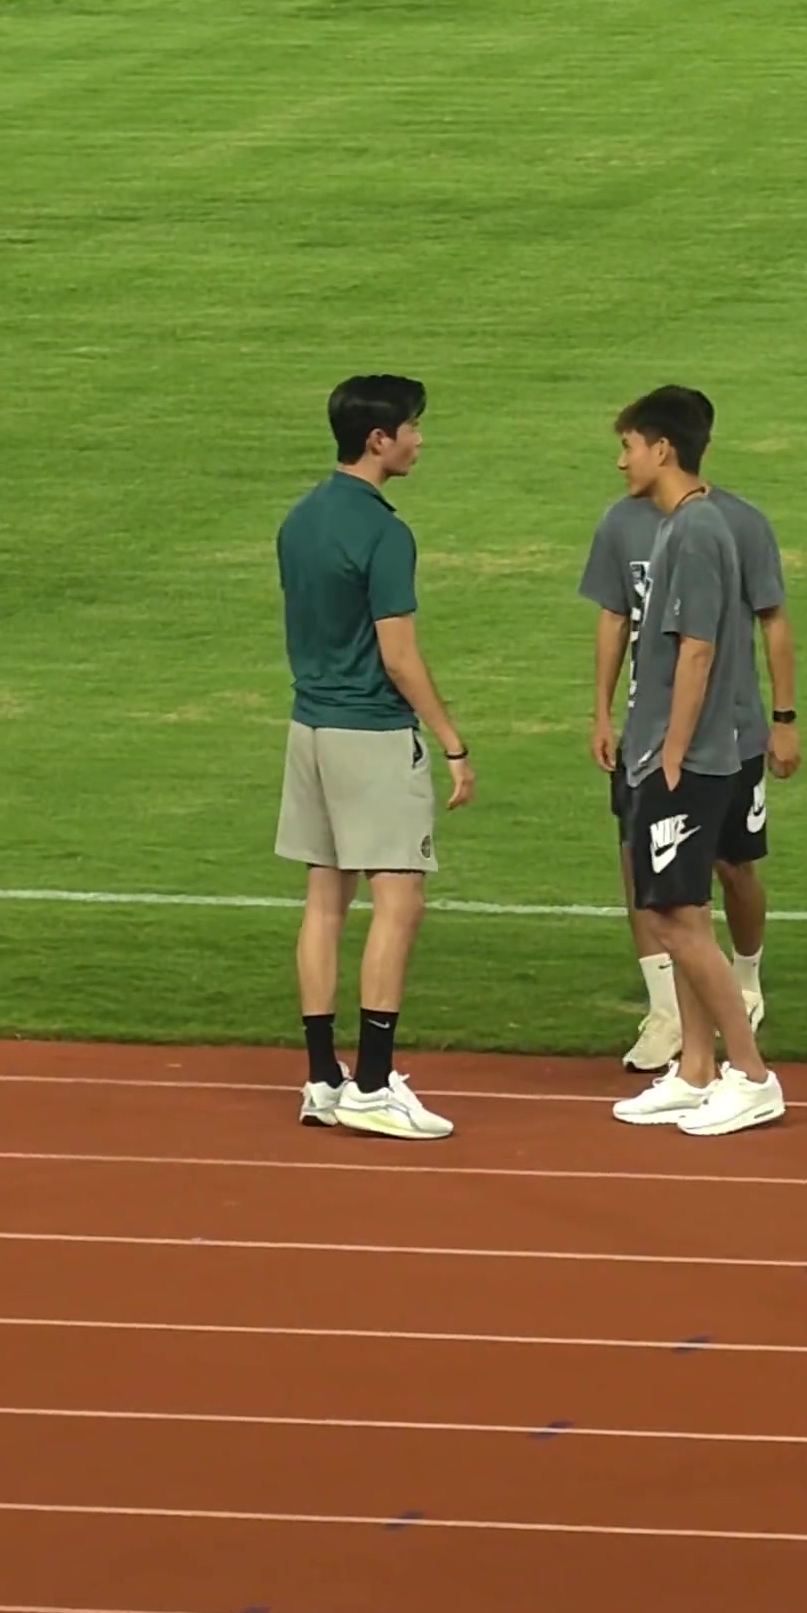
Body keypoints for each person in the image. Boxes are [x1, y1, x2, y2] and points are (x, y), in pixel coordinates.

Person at [274, 373, 475, 1140]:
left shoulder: (300, 520)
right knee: (400, 900)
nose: (419, 440)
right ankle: (373, 1083)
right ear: (377, 439)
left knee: (324, 902)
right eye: (411, 428)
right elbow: (399, 656)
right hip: (372, 734)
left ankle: (323, 1078)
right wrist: (453, 742)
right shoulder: (386, 534)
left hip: (310, 730)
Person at [579, 394, 800, 1074]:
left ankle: (746, 1063)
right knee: (665, 891)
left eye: (628, 446)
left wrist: (682, 746)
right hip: (658, 739)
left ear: (662, 448)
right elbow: (618, 618)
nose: (620, 461)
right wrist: (604, 713)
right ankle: (689, 1051)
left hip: (706, 741)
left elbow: (703, 647)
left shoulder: (712, 527)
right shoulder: (650, 523)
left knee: (713, 883)